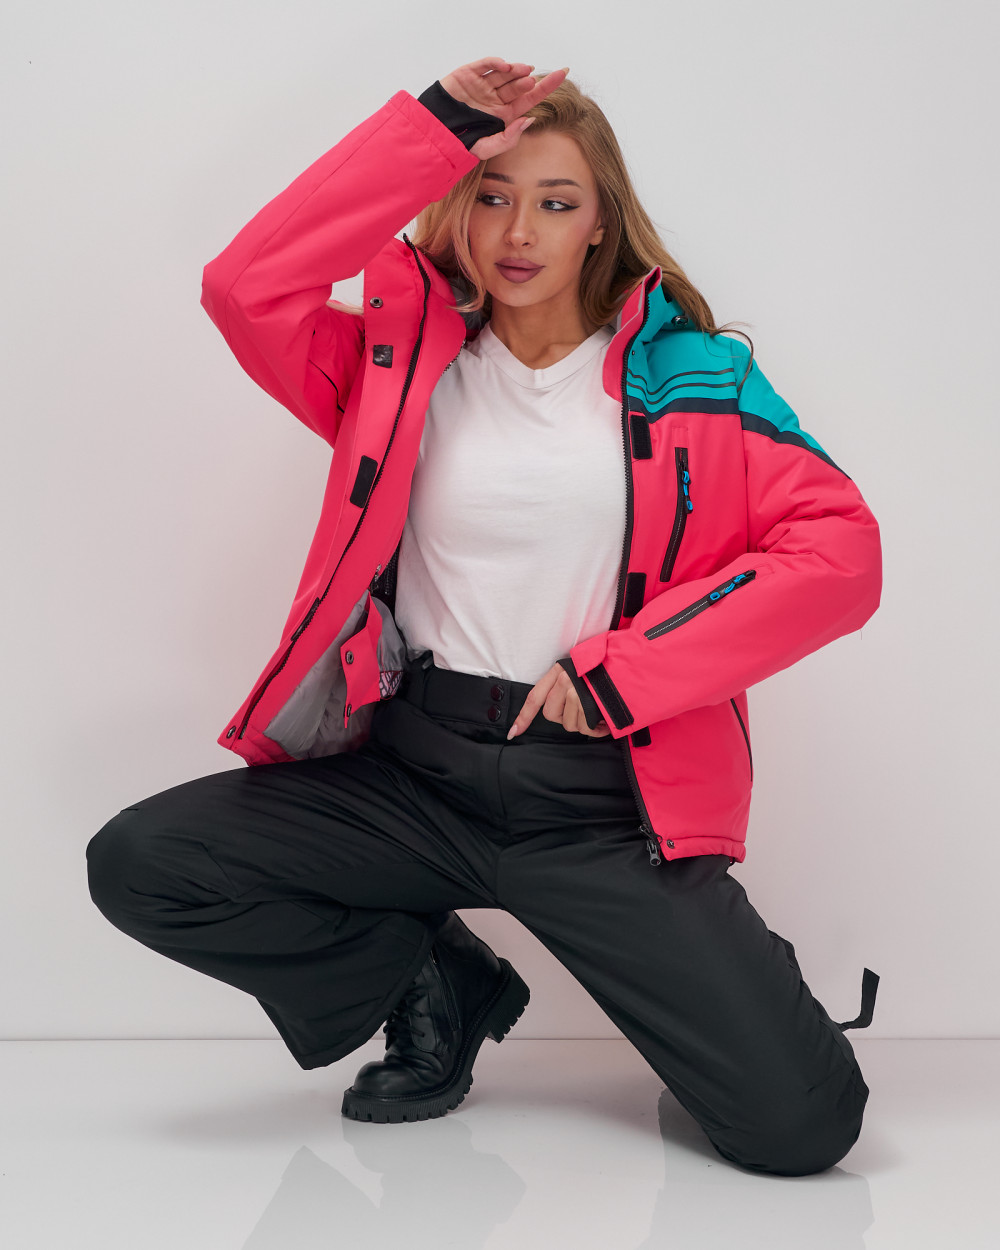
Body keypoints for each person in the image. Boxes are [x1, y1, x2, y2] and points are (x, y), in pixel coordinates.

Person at [86, 57, 883, 1177]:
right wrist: (437, 131)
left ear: (601, 223)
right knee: (144, 862)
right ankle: (436, 980)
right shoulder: (396, 366)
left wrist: (630, 670)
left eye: (556, 202)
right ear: (455, 205)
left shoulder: (695, 379)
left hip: (598, 802)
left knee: (802, 1132)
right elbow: (245, 287)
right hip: (415, 773)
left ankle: (733, 981)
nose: (518, 231)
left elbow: (840, 552)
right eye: (492, 196)